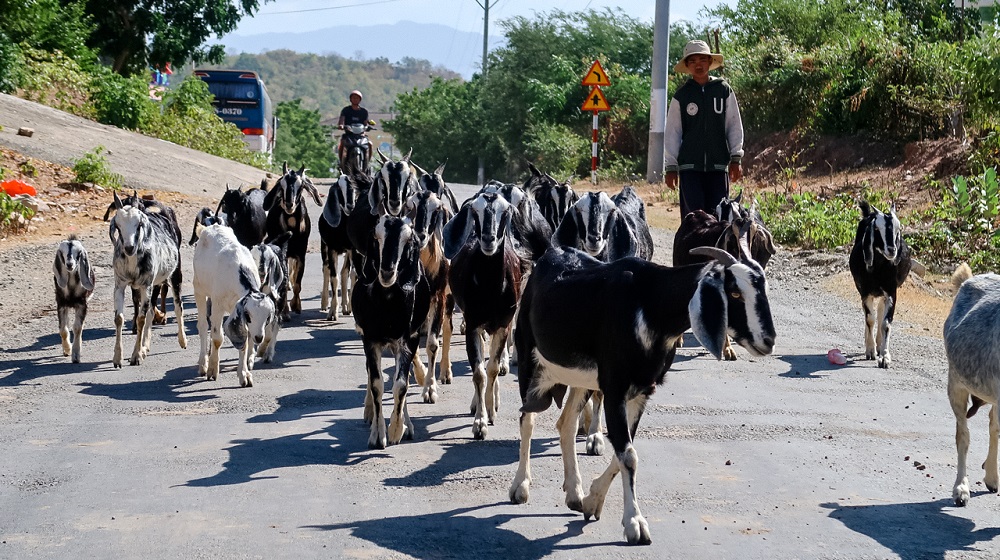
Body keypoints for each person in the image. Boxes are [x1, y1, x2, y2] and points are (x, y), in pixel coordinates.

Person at [664, 40, 744, 218]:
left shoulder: (724, 90)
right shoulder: (682, 96)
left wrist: (736, 158)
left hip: (718, 166)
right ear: (687, 65)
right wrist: (671, 166)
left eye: (702, 59)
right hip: (689, 168)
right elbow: (673, 133)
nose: (698, 65)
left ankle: (717, 247)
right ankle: (691, 247)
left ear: (709, 62)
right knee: (694, 217)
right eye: (692, 61)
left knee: (719, 216)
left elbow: (733, 125)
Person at [337, 90, 372, 171]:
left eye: (357, 98)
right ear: (350, 99)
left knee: (370, 144)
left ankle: (367, 163)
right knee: (342, 142)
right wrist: (341, 125)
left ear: (360, 100)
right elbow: (341, 120)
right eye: (353, 98)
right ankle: (341, 162)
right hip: (349, 135)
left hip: (361, 135)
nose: (355, 99)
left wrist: (368, 126)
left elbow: (366, 122)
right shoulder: (346, 110)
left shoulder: (364, 111)